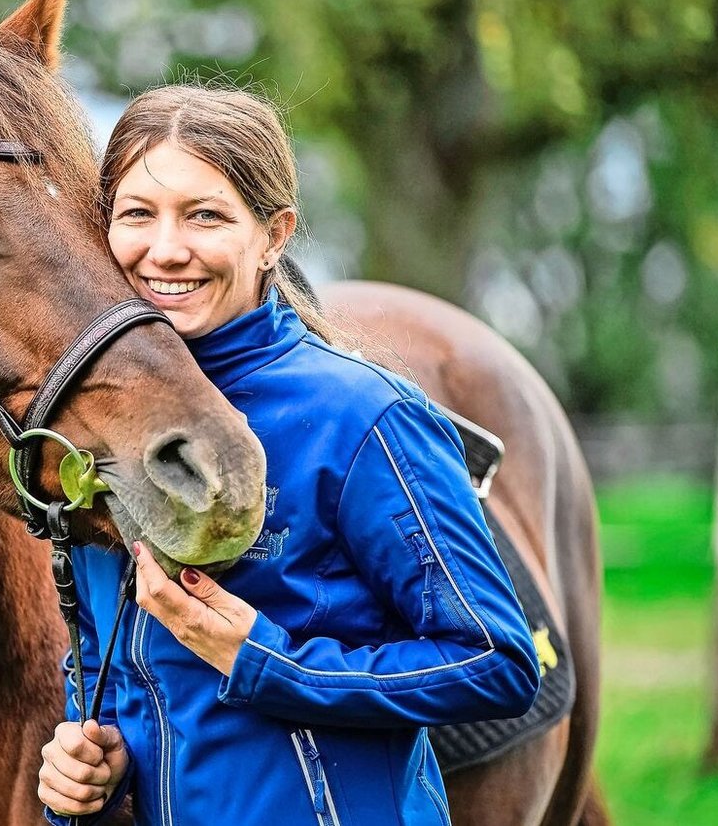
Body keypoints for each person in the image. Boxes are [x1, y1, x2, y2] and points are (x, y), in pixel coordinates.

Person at [36, 85, 541, 825]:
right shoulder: (100, 423)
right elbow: (103, 665)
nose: (165, 249)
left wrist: (266, 662)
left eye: (205, 215)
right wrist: (88, 765)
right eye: (137, 214)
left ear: (274, 236)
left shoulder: (363, 417)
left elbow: (495, 661)